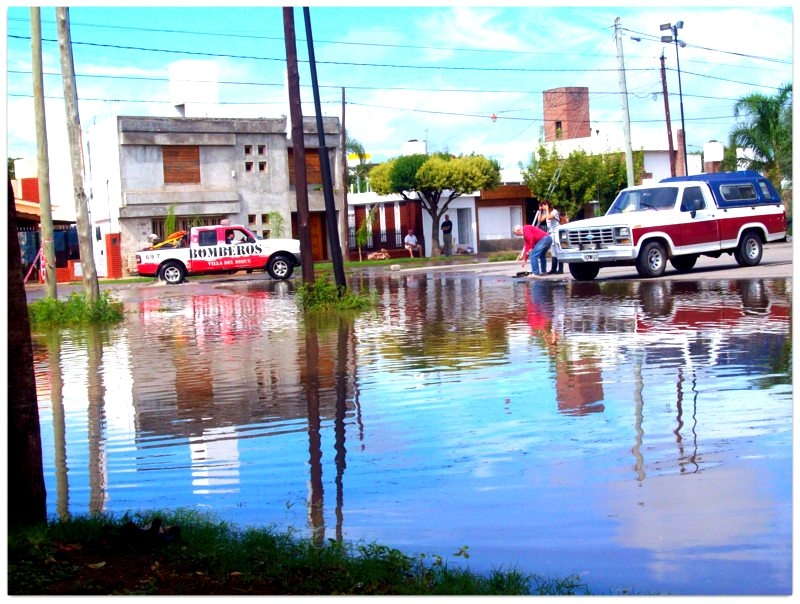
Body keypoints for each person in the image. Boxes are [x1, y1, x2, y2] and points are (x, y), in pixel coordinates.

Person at [542, 201, 563, 274]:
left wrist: (547, 208)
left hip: (556, 233)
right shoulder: (546, 212)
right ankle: (553, 269)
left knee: (558, 250)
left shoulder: (555, 212)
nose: (543, 208)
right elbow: (540, 220)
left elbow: (548, 217)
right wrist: (540, 211)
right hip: (551, 233)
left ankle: (560, 269)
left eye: (543, 206)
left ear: (547, 206)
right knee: (553, 251)